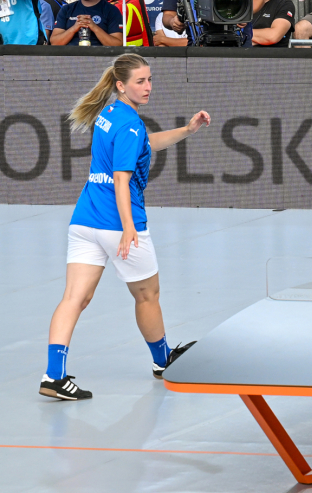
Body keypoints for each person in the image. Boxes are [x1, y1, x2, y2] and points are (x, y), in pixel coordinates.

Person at [39, 54, 211, 401]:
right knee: (147, 295)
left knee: (74, 298)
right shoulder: (130, 124)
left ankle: (53, 376)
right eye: (140, 82)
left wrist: (187, 130)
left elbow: (144, 145)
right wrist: (129, 228)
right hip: (118, 222)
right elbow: (122, 179)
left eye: (149, 80)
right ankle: (163, 362)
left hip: (84, 219)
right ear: (121, 85)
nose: (147, 87)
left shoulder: (110, 114)